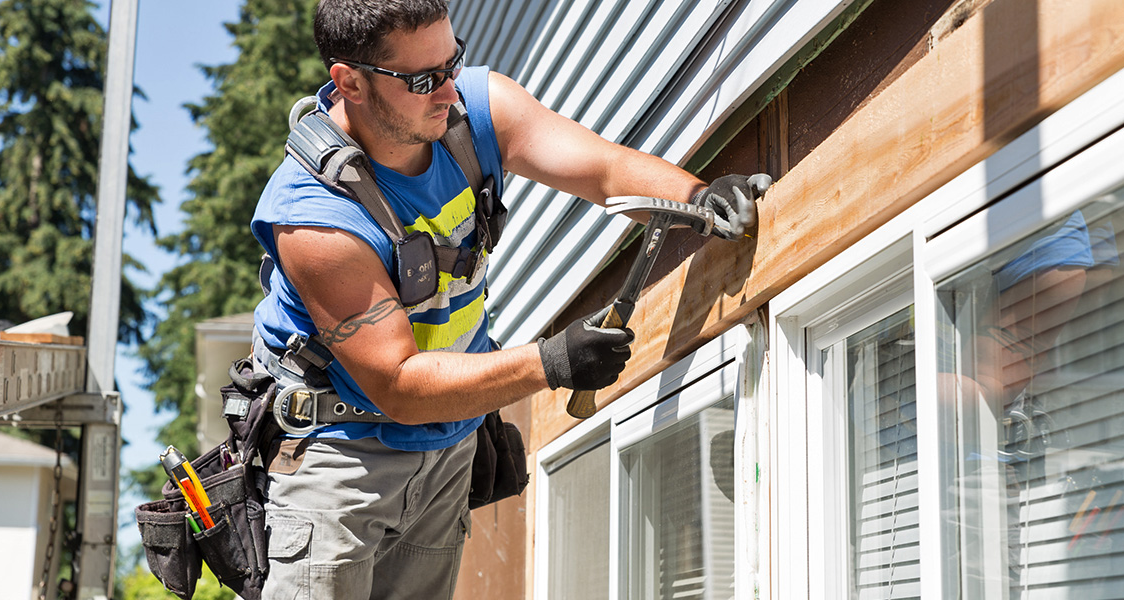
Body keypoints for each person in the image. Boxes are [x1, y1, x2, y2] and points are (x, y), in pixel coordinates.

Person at [249, 1, 764, 597]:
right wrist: (550, 362)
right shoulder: (314, 218)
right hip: (337, 462)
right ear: (350, 83)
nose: (448, 90)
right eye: (423, 80)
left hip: (447, 444)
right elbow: (398, 381)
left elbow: (600, 169)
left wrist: (698, 197)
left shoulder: (475, 111)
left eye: (452, 61)